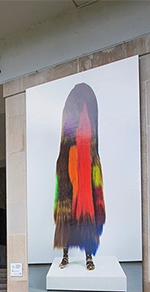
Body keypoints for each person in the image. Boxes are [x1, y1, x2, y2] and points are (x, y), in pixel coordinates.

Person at [53, 83, 105, 270]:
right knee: (67, 217)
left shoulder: (92, 149)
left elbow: (93, 146)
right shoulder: (66, 146)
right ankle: (65, 256)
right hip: (70, 168)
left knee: (86, 217)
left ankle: (88, 257)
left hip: (85, 170)